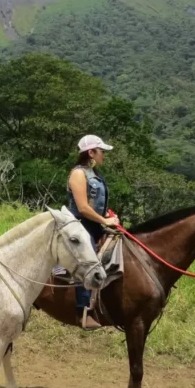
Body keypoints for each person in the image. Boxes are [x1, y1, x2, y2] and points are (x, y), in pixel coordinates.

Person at [67, 134, 120, 330]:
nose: (103, 155)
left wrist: (107, 215)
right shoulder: (78, 174)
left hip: (95, 223)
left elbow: (95, 205)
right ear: (91, 152)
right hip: (79, 225)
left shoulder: (95, 174)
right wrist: (105, 220)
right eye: (101, 151)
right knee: (87, 260)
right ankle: (83, 311)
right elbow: (82, 208)